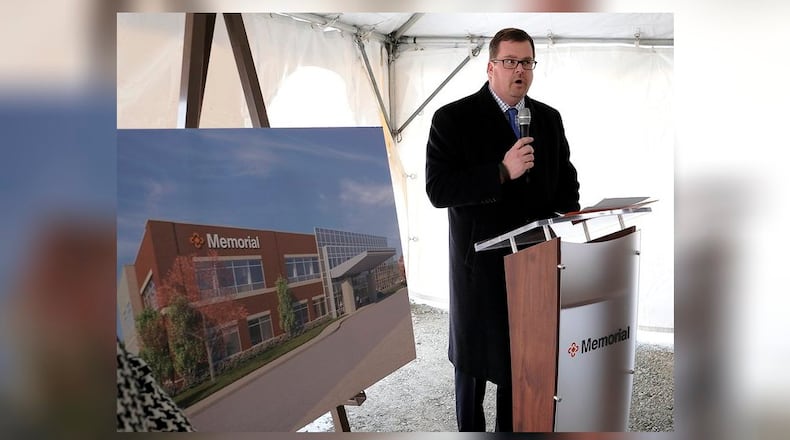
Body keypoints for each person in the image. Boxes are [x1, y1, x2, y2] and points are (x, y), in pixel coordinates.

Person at [425, 27, 580, 432]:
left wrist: (573, 208)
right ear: (491, 66)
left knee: (523, 367)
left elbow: (566, 181)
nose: (520, 71)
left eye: (527, 62)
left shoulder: (546, 118)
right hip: (480, 271)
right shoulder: (453, 119)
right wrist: (500, 171)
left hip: (534, 265)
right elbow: (438, 190)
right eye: (510, 62)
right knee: (474, 369)